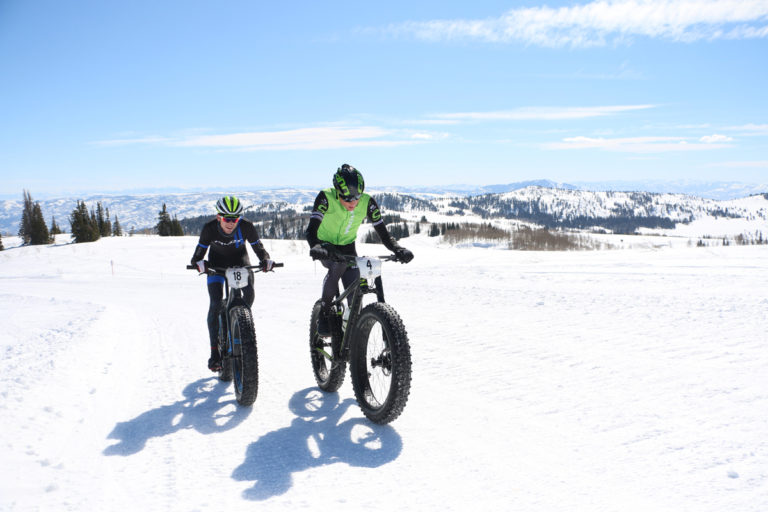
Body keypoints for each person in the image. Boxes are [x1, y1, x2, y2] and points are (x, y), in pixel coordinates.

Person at [306, 164, 413, 336]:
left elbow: (384, 234)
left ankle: (352, 333)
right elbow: (311, 230)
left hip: (348, 247)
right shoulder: (325, 198)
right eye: (347, 199)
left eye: (357, 198)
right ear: (337, 192)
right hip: (325, 246)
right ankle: (324, 313)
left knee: (354, 296)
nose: (353, 203)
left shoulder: (367, 202)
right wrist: (316, 246)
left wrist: (398, 249)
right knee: (338, 266)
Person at [190, 196, 274, 371]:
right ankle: (215, 353)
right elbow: (197, 256)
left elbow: (259, 249)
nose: (230, 223)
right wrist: (199, 264)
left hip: (240, 262)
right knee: (215, 303)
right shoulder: (209, 229)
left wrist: (266, 260)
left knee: (249, 295)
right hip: (216, 266)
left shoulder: (246, 227)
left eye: (235, 219)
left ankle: (240, 325)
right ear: (219, 217)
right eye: (227, 219)